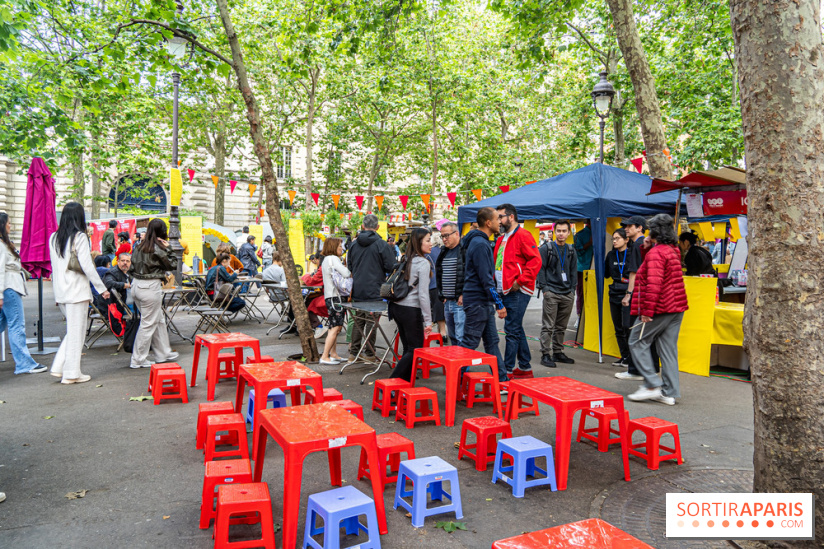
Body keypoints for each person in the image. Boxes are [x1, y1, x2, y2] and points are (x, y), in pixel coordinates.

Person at [627, 214, 689, 405]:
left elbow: (653, 284)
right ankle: (669, 392)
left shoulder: (657, 253)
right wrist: (647, 248)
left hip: (660, 307)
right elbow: (655, 270)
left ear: (654, 231)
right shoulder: (672, 250)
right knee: (668, 350)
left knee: (636, 341)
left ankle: (652, 385)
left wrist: (646, 311)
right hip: (676, 306)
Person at [49, 202, 110, 383]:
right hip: (77, 291)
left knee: (73, 331)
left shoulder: (54, 237)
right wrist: (102, 289)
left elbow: (55, 267)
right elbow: (88, 266)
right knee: (77, 332)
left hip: (62, 291)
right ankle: (71, 373)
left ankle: (60, 367)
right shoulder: (80, 237)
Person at [494, 203, 541, 378]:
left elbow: (535, 261)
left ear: (511, 217)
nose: (498, 220)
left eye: (500, 216)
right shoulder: (501, 238)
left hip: (517, 290)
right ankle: (525, 367)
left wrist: (519, 282)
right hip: (505, 289)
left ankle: (506, 372)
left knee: (511, 330)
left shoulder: (523, 235)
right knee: (515, 328)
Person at [461, 207, 507, 383]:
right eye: (497, 219)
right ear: (488, 223)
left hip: (481, 302)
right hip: (478, 302)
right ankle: (456, 381)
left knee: (492, 342)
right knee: (469, 344)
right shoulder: (480, 244)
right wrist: (499, 303)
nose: (500, 222)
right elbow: (486, 278)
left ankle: (501, 380)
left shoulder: (480, 242)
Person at [0, 212, 47, 374]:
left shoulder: (3, 244)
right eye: (9, 223)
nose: (10, 225)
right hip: (9, 288)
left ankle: (24, 363)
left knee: (6, 324)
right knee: (16, 326)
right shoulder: (1, 245)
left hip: (8, 288)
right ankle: (24, 363)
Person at [129, 218, 178, 369]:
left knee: (157, 319)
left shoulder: (139, 246)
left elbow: (131, 268)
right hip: (150, 287)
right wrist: (169, 248)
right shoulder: (159, 248)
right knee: (149, 323)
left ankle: (163, 352)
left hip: (136, 285)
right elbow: (173, 264)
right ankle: (138, 359)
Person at [615, 215, 660, 380]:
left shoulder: (639, 245)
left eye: (629, 226)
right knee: (645, 332)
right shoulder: (644, 244)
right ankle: (650, 368)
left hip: (640, 293)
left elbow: (634, 272)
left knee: (633, 330)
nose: (626, 229)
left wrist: (628, 294)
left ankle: (635, 369)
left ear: (640, 227)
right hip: (646, 293)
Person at [346, 214, 396, 361]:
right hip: (376, 289)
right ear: (377, 227)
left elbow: (350, 266)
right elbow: (391, 266)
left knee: (358, 320)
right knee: (371, 322)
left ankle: (353, 353)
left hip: (358, 288)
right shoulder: (381, 244)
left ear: (362, 226)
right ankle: (369, 353)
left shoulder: (353, 244)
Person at [389, 228, 434, 381]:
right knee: (415, 349)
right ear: (419, 242)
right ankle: (393, 382)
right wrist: (428, 320)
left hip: (396, 307)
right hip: (410, 310)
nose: (431, 244)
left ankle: (404, 384)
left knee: (408, 347)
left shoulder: (405, 259)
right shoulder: (423, 262)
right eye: (428, 240)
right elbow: (423, 294)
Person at [537, 219, 577, 368]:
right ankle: (546, 354)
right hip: (551, 292)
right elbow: (540, 269)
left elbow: (573, 271)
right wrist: (545, 289)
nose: (561, 233)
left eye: (564, 231)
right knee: (548, 325)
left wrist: (572, 290)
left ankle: (558, 352)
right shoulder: (546, 248)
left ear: (568, 232)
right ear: (555, 232)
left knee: (561, 326)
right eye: (558, 231)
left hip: (567, 293)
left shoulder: (571, 250)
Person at [604, 228, 641, 369]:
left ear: (626, 240)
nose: (614, 241)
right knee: (618, 327)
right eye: (613, 239)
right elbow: (606, 274)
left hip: (628, 292)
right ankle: (624, 356)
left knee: (628, 326)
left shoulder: (632, 253)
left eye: (617, 238)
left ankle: (632, 358)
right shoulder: (611, 255)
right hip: (614, 292)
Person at [319, 238, 351, 365]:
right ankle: (325, 356)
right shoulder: (333, 258)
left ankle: (333, 354)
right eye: (339, 246)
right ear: (333, 247)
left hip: (331, 296)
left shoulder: (326, 259)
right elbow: (346, 273)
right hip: (335, 297)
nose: (342, 249)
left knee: (335, 327)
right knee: (335, 327)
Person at [435, 221, 465, 347]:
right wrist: (442, 295)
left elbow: (468, 273)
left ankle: (462, 366)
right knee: (452, 336)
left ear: (457, 233)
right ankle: (456, 364)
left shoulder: (464, 250)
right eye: (442, 236)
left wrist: (464, 294)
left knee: (460, 336)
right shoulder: (444, 251)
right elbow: (439, 274)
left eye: (446, 235)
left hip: (460, 301)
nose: (444, 239)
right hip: (447, 301)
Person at [425, 232, 447, 339]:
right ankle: (443, 332)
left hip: (433, 283)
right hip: (445, 282)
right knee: (444, 307)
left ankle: (442, 332)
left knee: (437, 307)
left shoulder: (429, 252)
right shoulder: (445, 251)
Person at [573, 220, 593, 320]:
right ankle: (580, 316)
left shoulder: (602, 233)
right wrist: (589, 243)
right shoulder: (579, 235)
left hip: (593, 268)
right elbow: (578, 251)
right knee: (581, 292)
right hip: (582, 268)